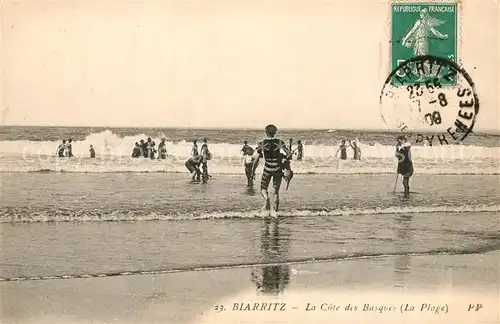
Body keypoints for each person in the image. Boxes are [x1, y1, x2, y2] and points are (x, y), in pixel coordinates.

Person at [251, 124, 294, 214]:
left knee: (263, 189)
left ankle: (267, 199)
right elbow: (289, 155)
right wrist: (284, 157)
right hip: (277, 169)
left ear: (266, 132)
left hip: (267, 169)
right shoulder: (279, 142)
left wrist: (253, 171)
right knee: (275, 192)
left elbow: (257, 159)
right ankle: (275, 212)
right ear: (275, 132)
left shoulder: (262, 144)